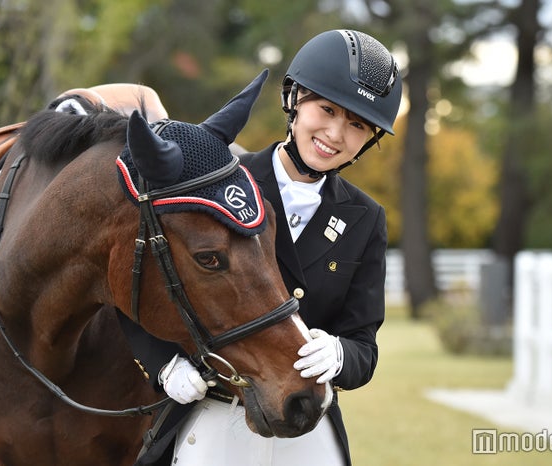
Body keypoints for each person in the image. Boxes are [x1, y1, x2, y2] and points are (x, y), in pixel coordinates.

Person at [130, 28, 402, 466]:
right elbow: (136, 291)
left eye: (356, 125)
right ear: (295, 100)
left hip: (305, 421)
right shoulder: (218, 182)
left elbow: (363, 351)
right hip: (209, 410)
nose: (335, 133)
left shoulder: (366, 219)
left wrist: (337, 354)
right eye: (327, 109)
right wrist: (164, 365)